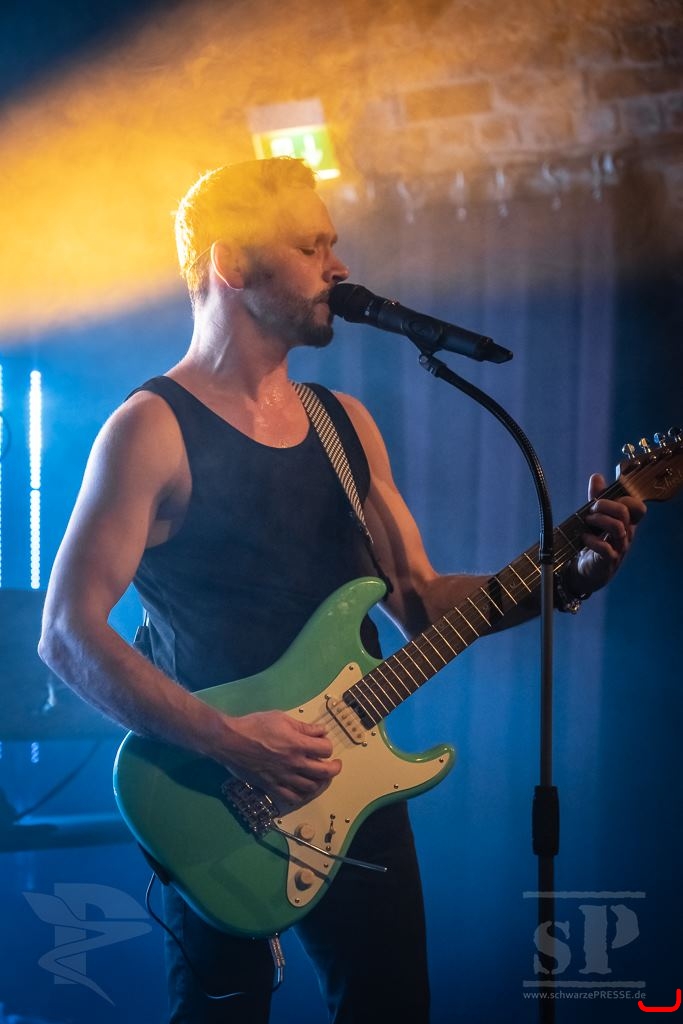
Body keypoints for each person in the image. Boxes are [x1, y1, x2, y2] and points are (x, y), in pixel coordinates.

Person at [38, 157, 646, 1023]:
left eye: (332, 244)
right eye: (310, 245)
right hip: (214, 795)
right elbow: (66, 634)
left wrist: (565, 582)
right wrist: (233, 741)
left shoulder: (344, 425)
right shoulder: (150, 430)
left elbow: (422, 601)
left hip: (353, 785)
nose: (340, 266)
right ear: (231, 263)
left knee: (392, 1006)